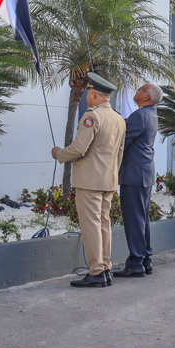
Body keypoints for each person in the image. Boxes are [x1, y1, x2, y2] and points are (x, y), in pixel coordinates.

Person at [51, 73, 126, 288]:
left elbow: (78, 148)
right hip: (108, 180)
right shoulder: (119, 118)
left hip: (89, 181)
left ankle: (96, 272)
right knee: (104, 224)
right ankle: (105, 268)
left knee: (91, 226)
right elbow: (119, 153)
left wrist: (59, 154)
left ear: (93, 94)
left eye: (87, 94)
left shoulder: (91, 116)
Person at [114, 83, 163, 278]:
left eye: (142, 88)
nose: (138, 89)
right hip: (144, 173)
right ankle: (145, 259)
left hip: (134, 175)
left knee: (134, 220)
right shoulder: (150, 114)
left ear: (146, 97)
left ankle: (135, 262)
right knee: (142, 219)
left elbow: (122, 144)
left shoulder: (140, 115)